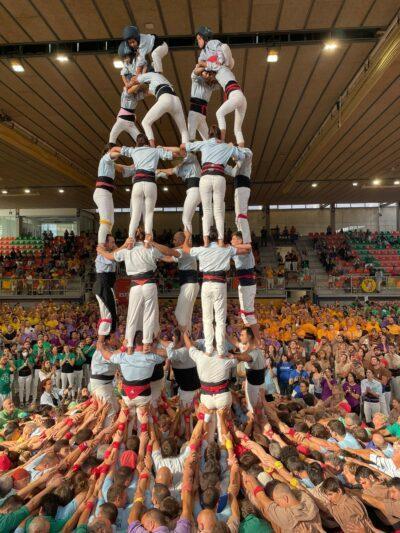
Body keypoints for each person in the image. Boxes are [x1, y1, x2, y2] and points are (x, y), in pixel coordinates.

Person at [98, 231, 176, 352]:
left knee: (132, 316)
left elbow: (110, 257)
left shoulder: (127, 250)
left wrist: (101, 251)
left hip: (135, 284)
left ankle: (129, 346)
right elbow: (170, 256)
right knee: (149, 315)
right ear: (146, 237)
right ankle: (146, 344)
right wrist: (157, 244)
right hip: (149, 283)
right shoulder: (151, 249)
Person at [183, 227, 250, 356]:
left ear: (206, 237)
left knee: (207, 318)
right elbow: (247, 250)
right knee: (220, 319)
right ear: (220, 237)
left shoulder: (202, 249)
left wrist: (187, 236)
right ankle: (220, 350)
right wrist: (232, 244)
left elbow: (185, 249)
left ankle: (208, 349)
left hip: (206, 283)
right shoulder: (226, 248)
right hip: (219, 283)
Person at [182, 126, 246, 245]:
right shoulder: (226, 146)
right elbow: (242, 156)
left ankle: (206, 241)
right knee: (218, 210)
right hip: (219, 177)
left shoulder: (204, 143)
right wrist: (232, 147)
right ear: (220, 136)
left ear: (209, 135)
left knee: (206, 211)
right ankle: (220, 241)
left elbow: (184, 146)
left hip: (205, 177)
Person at [110, 137, 176, 243]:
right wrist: (164, 148)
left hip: (137, 184)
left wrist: (110, 153)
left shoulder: (134, 150)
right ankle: (148, 239)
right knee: (149, 213)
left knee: (135, 214)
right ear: (147, 143)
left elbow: (116, 149)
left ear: (137, 142)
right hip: (150, 182)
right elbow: (174, 154)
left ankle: (130, 238)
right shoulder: (155, 150)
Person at [152, 232, 199, 332]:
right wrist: (157, 256)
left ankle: (183, 340)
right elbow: (169, 258)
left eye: (175, 239)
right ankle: (187, 339)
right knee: (186, 315)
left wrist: (153, 243)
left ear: (181, 240)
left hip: (189, 285)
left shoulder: (183, 251)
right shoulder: (184, 250)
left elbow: (168, 252)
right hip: (189, 285)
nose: (173, 241)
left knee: (180, 315)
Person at [128, 72, 189, 147]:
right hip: (176, 100)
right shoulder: (157, 81)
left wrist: (129, 84)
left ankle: (152, 147)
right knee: (183, 130)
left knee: (145, 122)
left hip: (165, 98)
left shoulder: (150, 74)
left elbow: (133, 82)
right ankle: (187, 154)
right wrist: (138, 88)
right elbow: (146, 92)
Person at [93, 146, 135, 244]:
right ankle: (101, 247)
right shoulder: (104, 159)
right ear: (108, 152)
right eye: (114, 151)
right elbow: (112, 155)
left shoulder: (111, 164)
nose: (116, 152)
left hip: (106, 194)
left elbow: (123, 169)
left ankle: (106, 244)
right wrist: (125, 151)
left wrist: (135, 165)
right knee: (105, 220)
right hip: (102, 193)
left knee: (111, 221)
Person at [109, 42, 145, 145]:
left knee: (140, 141)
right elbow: (123, 76)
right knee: (112, 138)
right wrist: (132, 82)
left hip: (130, 123)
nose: (125, 60)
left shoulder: (136, 95)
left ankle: (143, 152)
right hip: (121, 120)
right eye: (124, 58)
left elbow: (145, 92)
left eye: (126, 57)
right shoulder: (127, 91)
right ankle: (109, 152)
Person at [158, 154, 202, 234]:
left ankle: (187, 243)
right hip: (194, 191)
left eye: (177, 161)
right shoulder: (180, 168)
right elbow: (171, 171)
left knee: (186, 219)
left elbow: (185, 151)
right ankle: (188, 242)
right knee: (187, 219)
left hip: (195, 189)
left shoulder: (192, 160)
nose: (176, 164)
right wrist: (159, 170)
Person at [231, 232, 258, 340]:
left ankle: (257, 340)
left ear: (240, 240)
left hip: (249, 284)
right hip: (242, 284)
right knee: (243, 314)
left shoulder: (246, 249)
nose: (231, 241)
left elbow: (248, 247)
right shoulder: (234, 251)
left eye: (233, 239)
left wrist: (232, 246)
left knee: (249, 314)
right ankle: (250, 338)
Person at [225, 148, 253, 244]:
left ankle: (246, 241)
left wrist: (234, 151)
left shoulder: (245, 157)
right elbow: (233, 172)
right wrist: (222, 165)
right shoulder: (238, 164)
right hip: (239, 189)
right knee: (238, 216)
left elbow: (249, 153)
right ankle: (242, 237)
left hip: (243, 188)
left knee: (241, 215)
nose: (233, 158)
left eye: (234, 156)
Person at [94, 234, 118, 343]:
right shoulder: (102, 255)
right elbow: (115, 256)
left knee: (112, 314)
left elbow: (118, 255)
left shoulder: (108, 253)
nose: (114, 244)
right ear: (106, 243)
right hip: (102, 286)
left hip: (108, 287)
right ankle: (100, 343)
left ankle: (108, 340)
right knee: (107, 316)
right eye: (112, 242)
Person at [188, 69, 219, 141]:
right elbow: (195, 72)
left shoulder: (211, 85)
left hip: (203, 116)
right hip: (194, 113)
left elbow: (221, 83)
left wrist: (215, 72)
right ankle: (189, 152)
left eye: (210, 74)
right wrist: (206, 65)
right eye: (206, 73)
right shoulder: (197, 80)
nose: (208, 75)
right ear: (201, 73)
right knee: (190, 138)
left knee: (208, 141)